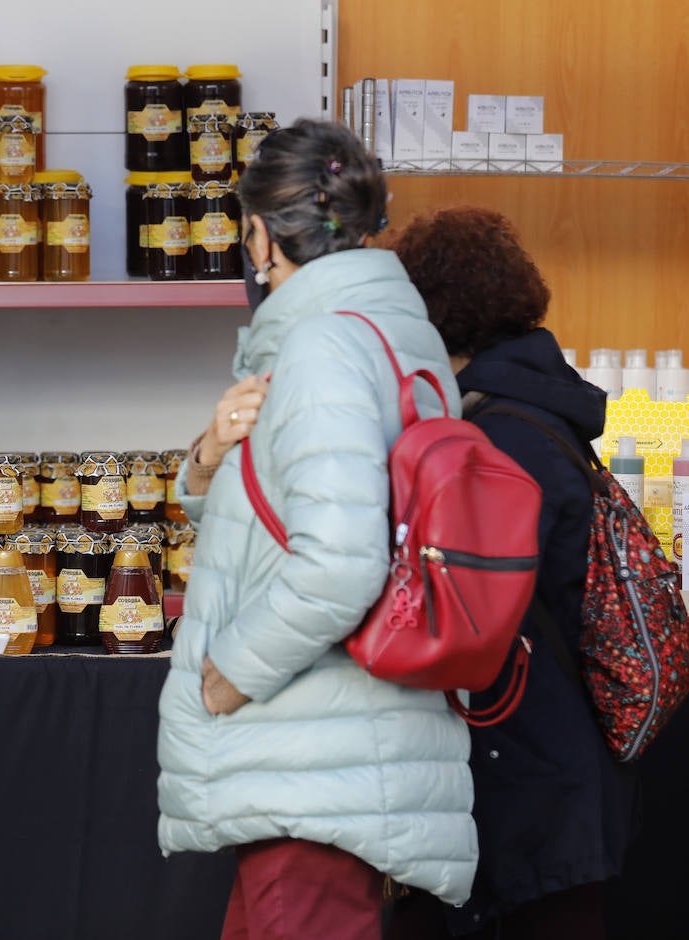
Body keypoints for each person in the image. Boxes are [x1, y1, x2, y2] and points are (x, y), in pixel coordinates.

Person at [155, 119, 478, 940]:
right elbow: (296, 515)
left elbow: (340, 562)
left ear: (260, 236)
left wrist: (230, 670)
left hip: (312, 765)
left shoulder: (324, 346)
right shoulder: (398, 336)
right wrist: (208, 459)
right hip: (345, 756)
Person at [385, 207, 639, 940]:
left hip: (527, 774)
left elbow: (466, 618)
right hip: (567, 763)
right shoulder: (540, 413)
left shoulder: (493, 437)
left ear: (435, 317)